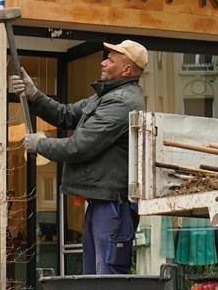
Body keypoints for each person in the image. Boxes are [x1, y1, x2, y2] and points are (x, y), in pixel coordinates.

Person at [14, 39, 148, 275]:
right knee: (94, 276)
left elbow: (80, 146)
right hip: (101, 201)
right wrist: (34, 95)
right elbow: (66, 115)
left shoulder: (122, 102)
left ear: (127, 70)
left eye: (110, 60)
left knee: (107, 278)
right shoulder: (105, 97)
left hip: (113, 205)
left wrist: (41, 144)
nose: (103, 63)